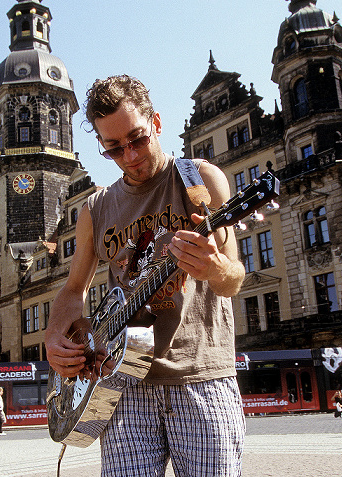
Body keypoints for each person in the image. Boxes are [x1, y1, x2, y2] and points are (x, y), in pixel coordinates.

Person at [44, 75, 246, 476]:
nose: (130, 156)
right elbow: (73, 290)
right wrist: (53, 339)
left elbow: (234, 280)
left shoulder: (200, 180)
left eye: (137, 138)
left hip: (200, 377)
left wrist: (215, 267)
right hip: (121, 385)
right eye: (114, 148)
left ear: (156, 122)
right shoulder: (95, 208)